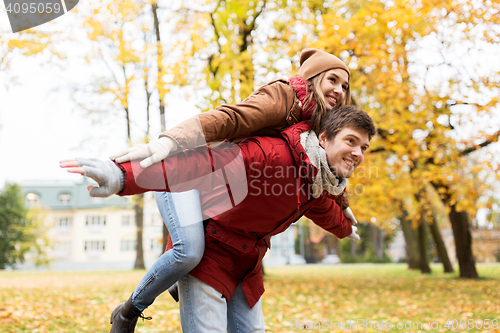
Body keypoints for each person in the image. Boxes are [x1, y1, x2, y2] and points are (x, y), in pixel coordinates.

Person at [61, 48, 357, 332]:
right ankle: (131, 309)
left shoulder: (317, 129)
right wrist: (169, 142)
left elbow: (325, 166)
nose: (340, 90)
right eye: (332, 80)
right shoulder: (285, 97)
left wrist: (342, 206)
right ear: (312, 80)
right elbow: (232, 118)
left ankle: (180, 281)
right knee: (189, 251)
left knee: (196, 251)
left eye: (345, 85)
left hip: (221, 187)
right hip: (190, 170)